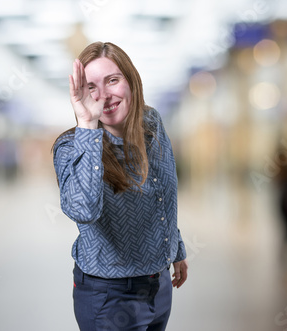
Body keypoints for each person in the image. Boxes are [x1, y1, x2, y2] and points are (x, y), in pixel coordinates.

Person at [53, 41, 188, 331]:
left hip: (158, 285)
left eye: (112, 80)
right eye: (91, 87)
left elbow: (162, 193)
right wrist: (87, 125)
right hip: (110, 296)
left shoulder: (151, 123)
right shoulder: (69, 147)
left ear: (131, 81)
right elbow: (83, 209)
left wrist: (175, 249)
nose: (103, 96)